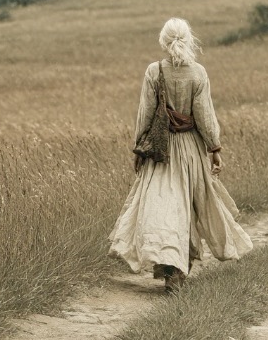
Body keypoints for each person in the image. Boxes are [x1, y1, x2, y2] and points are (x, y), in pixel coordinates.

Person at [107, 18, 253, 293]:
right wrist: (215, 149)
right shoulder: (198, 73)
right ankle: (179, 267)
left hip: (160, 151)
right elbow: (205, 116)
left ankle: (169, 267)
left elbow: (145, 114)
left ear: (163, 41)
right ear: (188, 40)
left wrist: (139, 148)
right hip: (191, 149)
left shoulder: (154, 71)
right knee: (187, 207)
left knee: (162, 207)